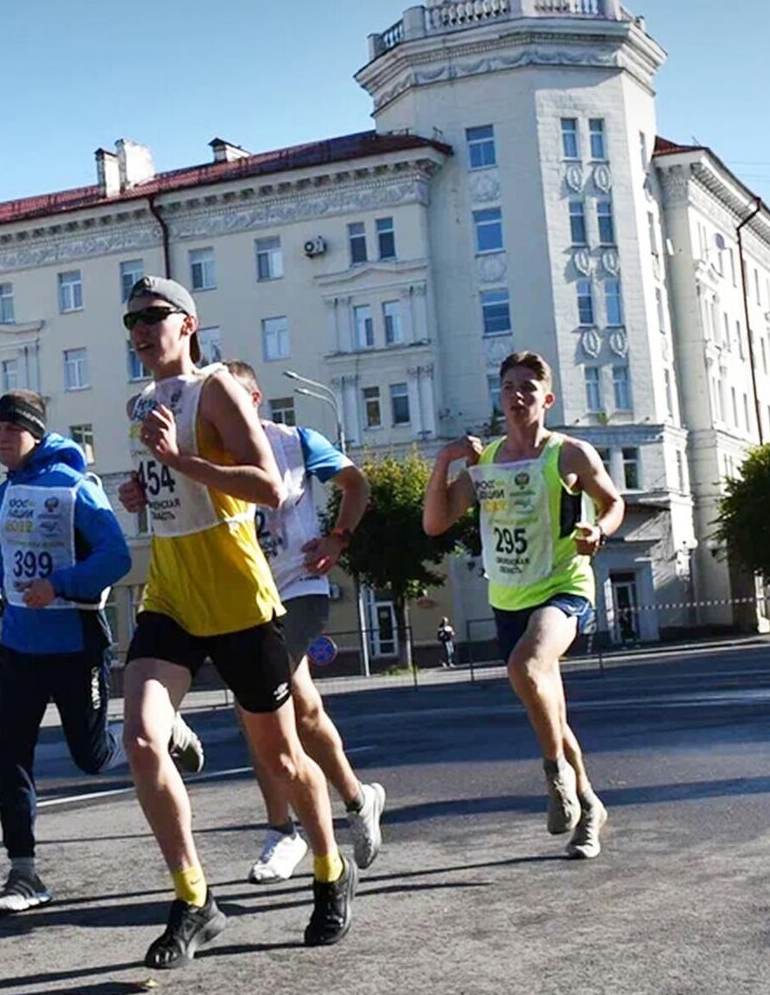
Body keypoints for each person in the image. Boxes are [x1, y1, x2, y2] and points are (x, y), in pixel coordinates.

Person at [116, 276, 354, 969]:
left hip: (240, 599)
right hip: (171, 596)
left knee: (282, 760)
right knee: (138, 739)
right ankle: (194, 898)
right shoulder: (143, 403)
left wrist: (177, 461)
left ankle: (331, 870)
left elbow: (267, 485)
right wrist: (143, 488)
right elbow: (174, 493)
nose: (139, 329)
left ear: (187, 324)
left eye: (153, 316)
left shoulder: (214, 390)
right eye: (130, 320)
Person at [0, 389, 200, 916]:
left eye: (9, 430)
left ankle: (164, 730)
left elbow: (116, 557)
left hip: (75, 644)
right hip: (20, 650)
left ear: (33, 432)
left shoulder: (75, 488)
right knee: (9, 755)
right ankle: (23, 874)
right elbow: (7, 568)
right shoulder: (4, 496)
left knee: (91, 756)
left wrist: (62, 584)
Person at [422, 351, 623, 860]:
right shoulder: (485, 461)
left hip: (564, 587)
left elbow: (613, 502)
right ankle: (589, 804)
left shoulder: (569, 454)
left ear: (546, 399)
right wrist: (444, 462)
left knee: (528, 663)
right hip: (508, 597)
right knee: (548, 705)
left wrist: (598, 530)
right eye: (508, 387)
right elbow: (435, 523)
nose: (516, 396)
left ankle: (556, 780)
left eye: (527, 389)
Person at [222, 359, 386, 883]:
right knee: (306, 711)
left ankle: (283, 830)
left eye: (231, 399)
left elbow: (356, 484)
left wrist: (339, 537)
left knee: (258, 706)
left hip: (300, 586)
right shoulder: (210, 449)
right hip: (248, 595)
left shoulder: (296, 441)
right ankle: (360, 800)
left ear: (254, 401)